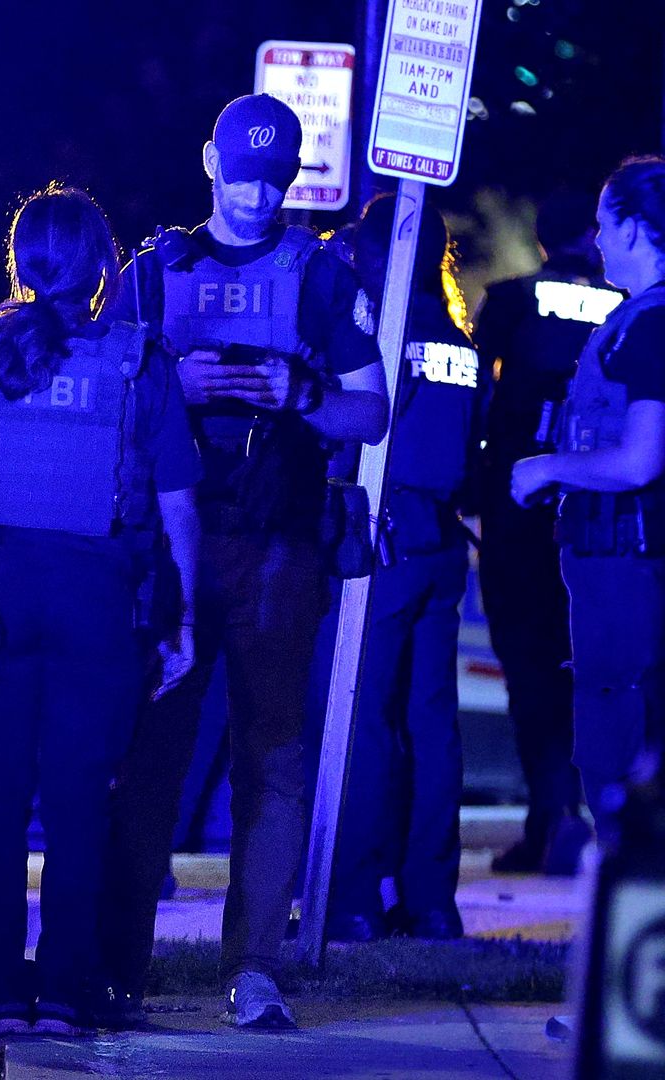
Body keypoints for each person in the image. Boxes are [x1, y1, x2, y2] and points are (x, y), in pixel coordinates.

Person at [97, 94, 390, 1030]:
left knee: (273, 758)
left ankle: (255, 969)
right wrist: (169, 384)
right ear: (211, 163)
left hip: (277, 546)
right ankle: (118, 970)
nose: (259, 195)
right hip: (173, 551)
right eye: (244, 174)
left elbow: (371, 411)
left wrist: (302, 393)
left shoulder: (320, 277)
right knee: (152, 759)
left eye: (276, 178)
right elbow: (94, 399)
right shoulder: (154, 272)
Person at [0, 184, 201, 1037]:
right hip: (97, 606)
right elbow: (179, 507)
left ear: (23, 266)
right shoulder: (140, 361)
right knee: (79, 805)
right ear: (106, 266)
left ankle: (6, 987)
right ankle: (66, 990)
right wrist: (183, 620)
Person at [326, 196, 487, 942]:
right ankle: (432, 902)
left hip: (381, 537)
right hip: (440, 541)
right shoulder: (459, 341)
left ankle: (354, 898)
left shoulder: (379, 336)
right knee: (432, 724)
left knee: (360, 716)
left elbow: (349, 433)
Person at [512, 156, 665, 855]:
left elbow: (639, 459)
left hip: (628, 562)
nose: (596, 240)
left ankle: (630, 903)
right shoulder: (638, 319)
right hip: (622, 562)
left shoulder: (650, 325)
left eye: (605, 225)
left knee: (617, 745)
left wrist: (547, 468)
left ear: (634, 227)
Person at [475, 193, 615, 876]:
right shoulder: (625, 306)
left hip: (519, 508)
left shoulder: (510, 300)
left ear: (539, 239)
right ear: (593, 236)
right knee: (593, 670)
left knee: (529, 671)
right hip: (598, 511)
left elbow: (478, 395)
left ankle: (550, 818)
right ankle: (594, 823)